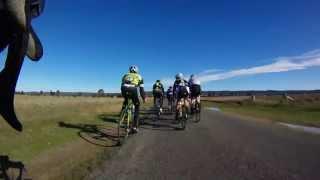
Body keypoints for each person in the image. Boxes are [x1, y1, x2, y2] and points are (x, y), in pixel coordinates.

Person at [121, 65, 146, 133]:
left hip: (124, 88)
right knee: (137, 107)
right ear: (136, 70)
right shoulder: (139, 76)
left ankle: (122, 116)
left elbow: (122, 83)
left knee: (126, 101)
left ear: (130, 70)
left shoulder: (125, 75)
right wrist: (144, 98)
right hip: (133, 89)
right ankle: (135, 127)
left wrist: (124, 95)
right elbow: (141, 89)